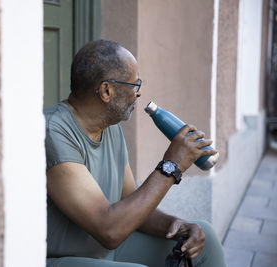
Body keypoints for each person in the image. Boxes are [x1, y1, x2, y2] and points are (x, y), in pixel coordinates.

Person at [44, 39, 226, 267]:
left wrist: (177, 225)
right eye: (134, 84)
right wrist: (172, 165)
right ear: (106, 91)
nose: (138, 94)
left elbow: (133, 204)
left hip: (102, 251)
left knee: (203, 237)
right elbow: (108, 230)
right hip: (58, 258)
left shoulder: (110, 129)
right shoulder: (54, 132)